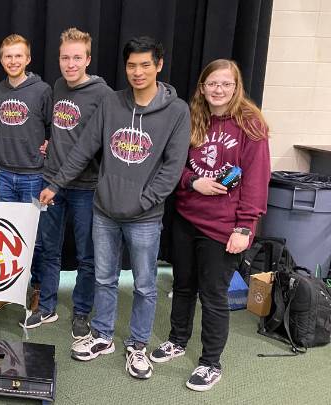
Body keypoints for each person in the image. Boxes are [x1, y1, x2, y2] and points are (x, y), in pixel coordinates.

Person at [40, 36, 191, 380]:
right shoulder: (111, 103)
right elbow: (82, 149)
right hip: (104, 212)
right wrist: (55, 184)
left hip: (145, 218)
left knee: (144, 285)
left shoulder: (176, 111)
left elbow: (172, 166)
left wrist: (144, 200)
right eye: (132, 65)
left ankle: (137, 345)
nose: (138, 72)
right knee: (105, 279)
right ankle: (104, 336)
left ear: (159, 65)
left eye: (145, 65)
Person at [149, 59, 270, 391]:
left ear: (236, 87)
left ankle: (210, 363)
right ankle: (177, 340)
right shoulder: (190, 118)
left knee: (214, 295)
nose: (218, 90)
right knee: (184, 286)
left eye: (226, 84)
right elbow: (172, 165)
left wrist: (245, 227)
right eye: (212, 84)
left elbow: (257, 181)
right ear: (202, 87)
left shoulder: (251, 124)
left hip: (224, 227)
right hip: (188, 218)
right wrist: (192, 182)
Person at [21, 28, 112, 331]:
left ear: (88, 58)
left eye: (77, 58)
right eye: (65, 58)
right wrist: (52, 143)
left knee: (86, 254)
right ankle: (47, 307)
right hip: (52, 181)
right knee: (49, 249)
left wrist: (56, 182)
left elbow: (89, 147)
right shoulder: (58, 86)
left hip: (84, 188)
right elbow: (64, 129)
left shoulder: (102, 94)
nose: (70, 64)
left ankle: (82, 311)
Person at [0, 33, 52, 312]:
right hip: (4, 173)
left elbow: (55, 127)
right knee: (7, 237)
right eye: (8, 56)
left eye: (18, 56)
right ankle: (8, 289)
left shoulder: (42, 90)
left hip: (33, 174)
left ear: (27, 59)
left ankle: (37, 289)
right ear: (1, 59)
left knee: (35, 239)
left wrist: (49, 144)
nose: (13, 61)